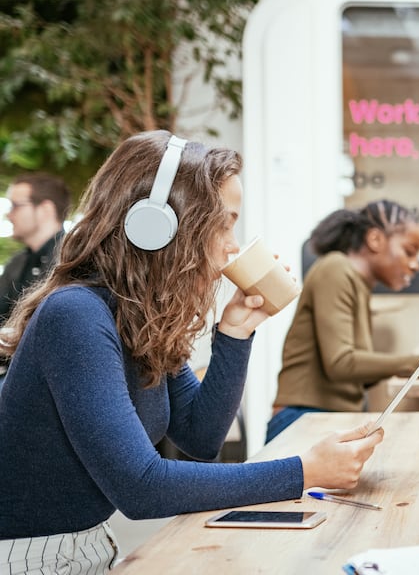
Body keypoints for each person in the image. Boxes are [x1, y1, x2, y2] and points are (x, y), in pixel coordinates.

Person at [0, 131, 384, 574]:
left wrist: (235, 334)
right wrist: (305, 470)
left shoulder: (135, 316)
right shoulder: (76, 315)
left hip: (85, 547)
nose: (233, 244)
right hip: (27, 557)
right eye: (224, 223)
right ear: (156, 224)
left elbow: (200, 439)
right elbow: (142, 488)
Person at [268, 201, 419, 442]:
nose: (416, 265)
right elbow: (341, 364)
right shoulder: (335, 269)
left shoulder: (357, 283)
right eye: (409, 251)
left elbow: (355, 370)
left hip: (323, 420)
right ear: (375, 240)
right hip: (302, 421)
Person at [0, 173, 71, 323]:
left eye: (15, 206)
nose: (8, 215)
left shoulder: (72, 260)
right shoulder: (17, 261)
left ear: (46, 209)